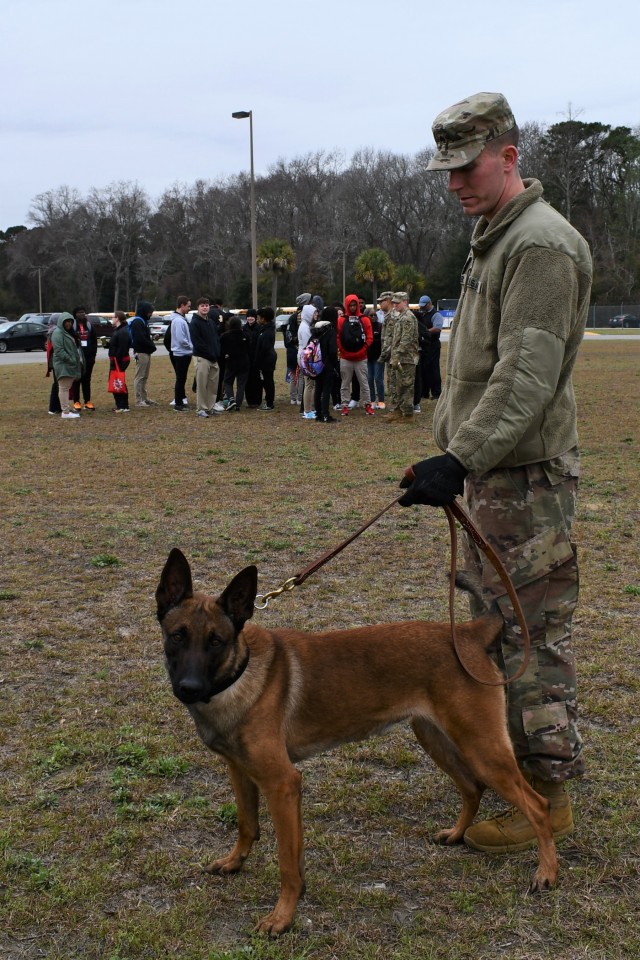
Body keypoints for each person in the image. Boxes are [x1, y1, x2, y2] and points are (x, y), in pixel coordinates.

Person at [399, 91, 592, 852]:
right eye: (444, 169)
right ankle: (508, 773)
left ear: (509, 157)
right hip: (492, 478)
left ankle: (547, 797)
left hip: (524, 483)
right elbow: (479, 372)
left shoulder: (539, 244)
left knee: (526, 638)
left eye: (466, 166)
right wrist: (454, 455)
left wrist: (459, 457)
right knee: (487, 634)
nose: (453, 182)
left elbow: (525, 377)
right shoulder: (494, 235)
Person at [337, 294, 374, 416]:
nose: (352, 307)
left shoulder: (364, 319)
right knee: (345, 383)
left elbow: (369, 338)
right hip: (347, 357)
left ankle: (367, 404)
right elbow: (338, 337)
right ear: (347, 305)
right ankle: (344, 405)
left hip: (360, 357)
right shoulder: (341, 320)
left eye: (354, 305)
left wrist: (362, 350)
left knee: (364, 382)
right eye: (350, 305)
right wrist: (343, 350)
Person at [385, 292, 419, 423]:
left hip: (407, 358)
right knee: (398, 385)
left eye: (397, 303)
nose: (394, 305)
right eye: (393, 303)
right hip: (401, 357)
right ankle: (398, 411)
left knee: (406, 385)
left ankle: (408, 414)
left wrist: (397, 355)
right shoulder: (402, 317)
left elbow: (406, 341)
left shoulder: (408, 318)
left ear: (405, 301)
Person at [190, 296, 221, 418]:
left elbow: (216, 339)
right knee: (202, 385)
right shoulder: (194, 323)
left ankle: (209, 407)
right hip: (202, 358)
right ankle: (201, 409)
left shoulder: (211, 322)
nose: (205, 307)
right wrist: (210, 354)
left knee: (213, 385)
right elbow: (197, 343)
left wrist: (216, 353)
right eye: (202, 305)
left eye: (206, 305)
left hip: (214, 358)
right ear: (197, 307)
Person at [50, 312, 84, 419]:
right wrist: (71, 360)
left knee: (66, 388)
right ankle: (65, 412)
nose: (69, 324)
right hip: (63, 365)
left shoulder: (66, 333)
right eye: (67, 322)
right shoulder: (58, 333)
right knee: (64, 388)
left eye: (70, 322)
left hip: (68, 365)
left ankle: (66, 409)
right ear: (62, 322)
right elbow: (59, 351)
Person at [312, 305, 339, 422]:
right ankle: (326, 414)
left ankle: (318, 413)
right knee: (327, 389)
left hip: (316, 363)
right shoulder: (331, 330)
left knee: (318, 388)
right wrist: (335, 365)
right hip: (327, 364)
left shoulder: (317, 329)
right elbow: (333, 350)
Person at [129, 300, 157, 407]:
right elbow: (140, 339)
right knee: (139, 376)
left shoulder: (143, 321)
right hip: (141, 352)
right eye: (149, 311)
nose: (150, 314)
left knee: (145, 376)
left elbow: (145, 337)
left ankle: (144, 398)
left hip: (146, 351)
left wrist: (152, 339)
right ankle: (138, 400)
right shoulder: (138, 322)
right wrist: (151, 346)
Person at [220, 315, 250, 410]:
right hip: (244, 362)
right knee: (241, 384)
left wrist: (225, 355)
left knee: (228, 382)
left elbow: (222, 350)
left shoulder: (225, 336)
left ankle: (231, 399)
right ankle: (238, 404)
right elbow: (249, 348)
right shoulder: (245, 335)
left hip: (231, 362)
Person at [169, 296, 193, 412]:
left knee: (181, 378)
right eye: (188, 306)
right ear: (182, 305)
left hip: (182, 352)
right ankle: (178, 403)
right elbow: (181, 339)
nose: (189, 308)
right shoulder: (178, 321)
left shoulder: (179, 319)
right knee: (180, 379)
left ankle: (180, 401)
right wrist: (191, 347)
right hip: (181, 353)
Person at [71, 307, 98, 411]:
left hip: (88, 357)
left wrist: (93, 355)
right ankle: (76, 402)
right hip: (77, 357)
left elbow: (94, 341)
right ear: (75, 314)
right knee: (76, 380)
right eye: (79, 313)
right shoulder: (72, 326)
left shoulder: (89, 325)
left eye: (83, 312)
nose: (82, 314)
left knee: (87, 380)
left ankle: (87, 401)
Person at [417, 294, 444, 400]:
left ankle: (436, 393)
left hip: (433, 345)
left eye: (424, 305)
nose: (422, 307)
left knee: (433, 369)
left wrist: (425, 332)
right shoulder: (422, 314)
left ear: (429, 303)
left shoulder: (436, 314)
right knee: (423, 369)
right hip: (424, 346)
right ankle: (424, 392)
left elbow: (437, 328)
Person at [297, 303, 318, 419]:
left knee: (310, 384)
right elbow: (307, 346)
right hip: (306, 358)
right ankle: (307, 410)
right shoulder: (305, 328)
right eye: (314, 312)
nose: (316, 314)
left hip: (306, 357)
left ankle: (310, 409)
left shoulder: (306, 325)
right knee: (309, 384)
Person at [108, 310, 131, 412]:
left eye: (113, 317)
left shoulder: (123, 331)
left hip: (119, 360)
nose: (111, 319)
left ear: (117, 318)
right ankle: (121, 405)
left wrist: (115, 359)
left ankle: (123, 406)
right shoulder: (119, 330)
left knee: (118, 381)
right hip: (117, 359)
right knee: (116, 381)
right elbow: (116, 344)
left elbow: (123, 348)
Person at [255, 307, 277, 411]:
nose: (257, 319)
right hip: (266, 360)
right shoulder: (264, 329)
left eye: (258, 317)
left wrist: (258, 360)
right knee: (267, 381)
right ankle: (268, 401)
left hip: (266, 361)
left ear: (263, 319)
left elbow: (264, 348)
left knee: (268, 381)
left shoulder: (267, 332)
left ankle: (269, 403)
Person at [243, 309, 263, 407]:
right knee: (248, 381)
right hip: (246, 359)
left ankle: (257, 400)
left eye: (252, 316)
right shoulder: (243, 328)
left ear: (255, 318)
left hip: (257, 358)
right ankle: (250, 401)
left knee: (257, 380)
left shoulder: (259, 328)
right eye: (248, 316)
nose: (250, 318)